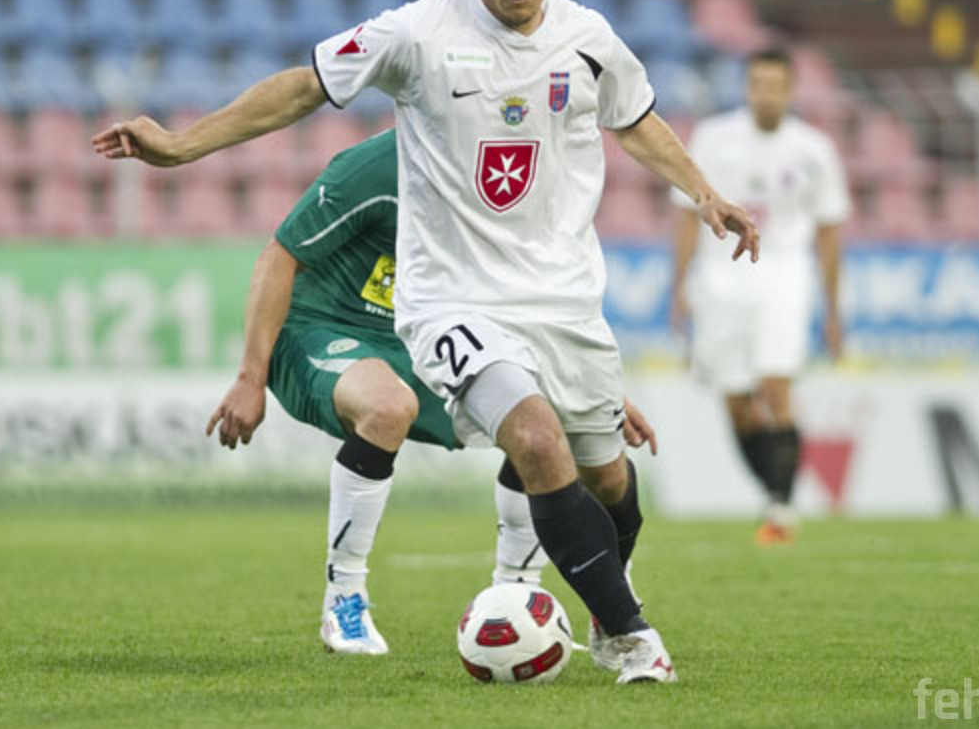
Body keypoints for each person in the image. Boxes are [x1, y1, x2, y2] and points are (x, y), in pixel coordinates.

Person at [94, 0, 759, 684]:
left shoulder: (589, 39)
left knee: (609, 478)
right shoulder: (417, 33)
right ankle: (630, 638)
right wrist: (183, 145)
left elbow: (637, 121)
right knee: (534, 439)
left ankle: (593, 602)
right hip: (452, 301)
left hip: (562, 301)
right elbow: (304, 87)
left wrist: (705, 194)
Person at [207, 127, 659, 655]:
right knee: (388, 406)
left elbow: (519, 299)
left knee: (539, 414)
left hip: (420, 335)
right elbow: (277, 257)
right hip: (319, 326)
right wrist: (250, 378)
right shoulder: (376, 167)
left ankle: (516, 596)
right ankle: (344, 600)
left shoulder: (501, 183)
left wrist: (591, 393)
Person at [669, 47, 849, 546]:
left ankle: (780, 509)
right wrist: (679, 285)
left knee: (776, 387)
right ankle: (774, 492)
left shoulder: (814, 150)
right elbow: (685, 215)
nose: (766, 95)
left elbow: (829, 231)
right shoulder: (712, 138)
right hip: (720, 277)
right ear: (747, 88)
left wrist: (834, 310)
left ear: (790, 91)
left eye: (776, 86)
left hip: (784, 272)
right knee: (737, 403)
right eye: (758, 85)